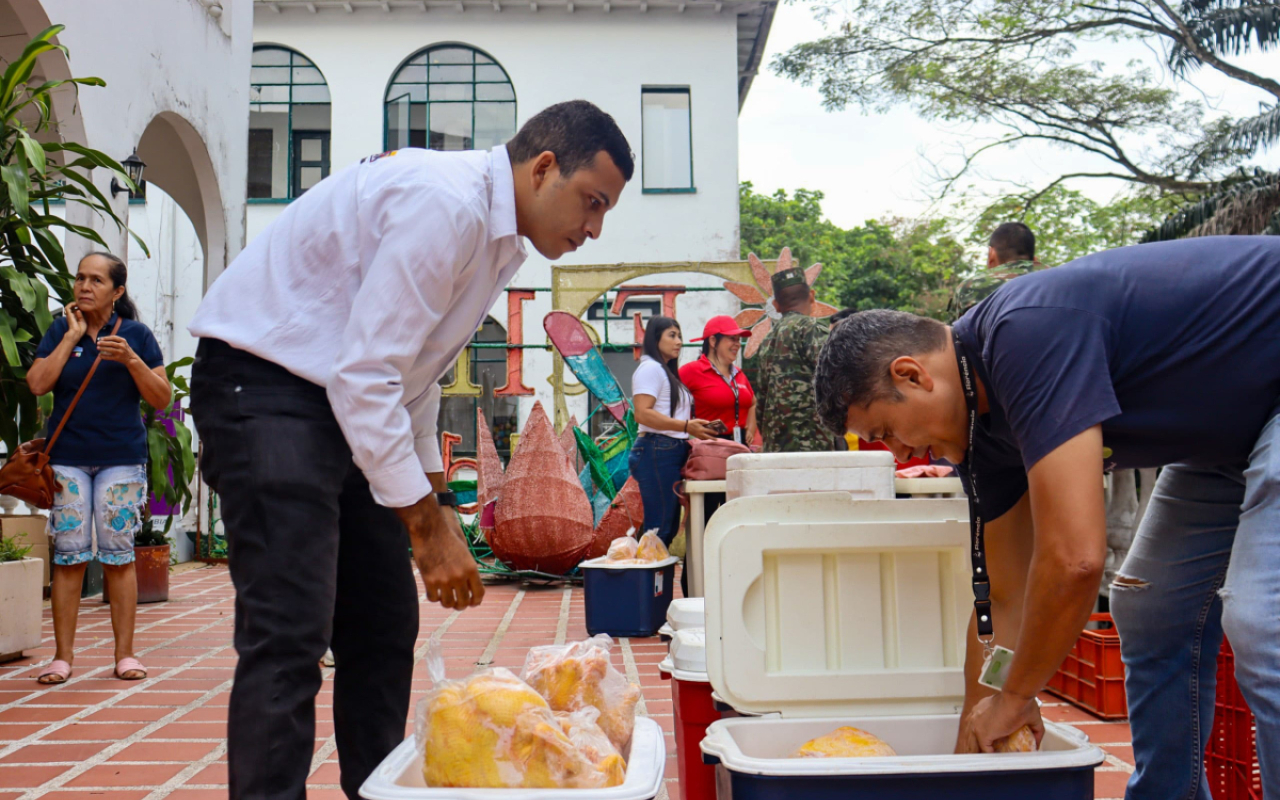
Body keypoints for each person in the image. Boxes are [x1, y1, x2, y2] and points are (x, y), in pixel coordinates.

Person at [187, 100, 634, 800]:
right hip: (267, 386)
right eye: (592, 202)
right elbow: (368, 375)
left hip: (340, 401)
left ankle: (379, 790)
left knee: (383, 624)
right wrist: (424, 529)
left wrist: (439, 506)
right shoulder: (446, 204)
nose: (593, 228)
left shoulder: (496, 236)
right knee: (291, 630)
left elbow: (412, 374)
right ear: (544, 167)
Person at [812, 236, 1280, 798]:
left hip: (1263, 409)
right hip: (1227, 439)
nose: (902, 455)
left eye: (888, 433)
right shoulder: (977, 431)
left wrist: (1014, 698)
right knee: (1149, 606)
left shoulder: (1025, 334)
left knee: (1263, 623)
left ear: (912, 375)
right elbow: (1005, 598)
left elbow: (1076, 560)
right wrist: (977, 744)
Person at [26, 252, 170, 685]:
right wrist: (70, 340)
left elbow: (161, 398)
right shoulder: (59, 329)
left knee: (119, 555)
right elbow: (36, 384)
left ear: (117, 291)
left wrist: (130, 359)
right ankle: (62, 658)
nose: (84, 286)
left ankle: (125, 655)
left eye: (96, 280)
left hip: (120, 460)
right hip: (67, 457)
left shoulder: (137, 336)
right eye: (80, 278)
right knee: (69, 556)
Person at [629, 316, 716, 550]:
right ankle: (645, 584)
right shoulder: (650, 369)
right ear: (655, 338)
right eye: (672, 335)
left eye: (679, 336)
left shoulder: (663, 371)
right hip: (657, 450)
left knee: (664, 528)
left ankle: (654, 584)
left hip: (666, 450)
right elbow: (642, 414)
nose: (679, 341)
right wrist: (687, 427)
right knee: (659, 529)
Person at [755, 266, 837, 452]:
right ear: (812, 295)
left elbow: (760, 399)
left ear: (775, 305)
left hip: (775, 446)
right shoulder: (812, 330)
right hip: (813, 443)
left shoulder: (767, 341)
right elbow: (837, 381)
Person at [680, 316, 756, 445]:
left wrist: (751, 428)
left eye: (738, 340)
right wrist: (686, 427)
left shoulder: (738, 373)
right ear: (713, 341)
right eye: (732, 339)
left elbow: (753, 402)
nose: (737, 344)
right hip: (709, 447)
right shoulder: (691, 371)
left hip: (740, 445)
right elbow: (666, 403)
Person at [947, 221, 1044, 321]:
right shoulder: (1058, 281)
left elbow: (952, 333)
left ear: (991, 254)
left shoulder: (970, 287)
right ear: (1035, 261)